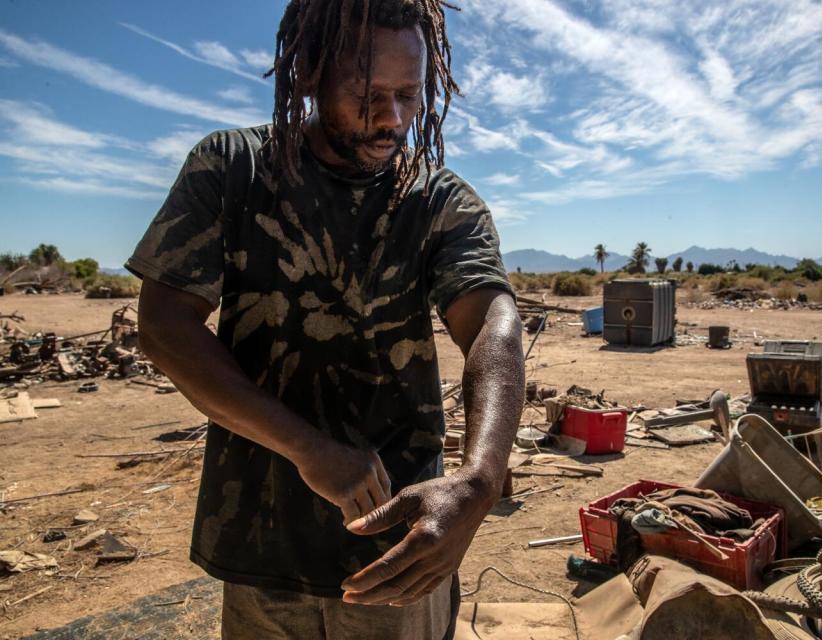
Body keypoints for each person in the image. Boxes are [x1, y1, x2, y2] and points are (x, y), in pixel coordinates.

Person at [126, 1, 524, 638]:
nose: (393, 117)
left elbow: (491, 324)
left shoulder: (439, 201)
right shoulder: (232, 169)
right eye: (368, 94)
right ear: (308, 72)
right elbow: (166, 325)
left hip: (399, 547)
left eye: (408, 94)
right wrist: (308, 448)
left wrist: (479, 480)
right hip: (260, 538)